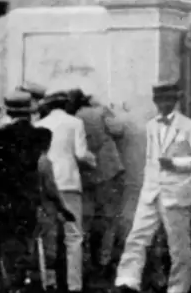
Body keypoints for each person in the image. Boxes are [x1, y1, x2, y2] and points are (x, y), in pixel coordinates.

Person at [114, 82, 191, 293]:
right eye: (160, 100)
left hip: (176, 192)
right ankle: (127, 280)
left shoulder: (189, 126)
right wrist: (148, 182)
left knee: (178, 245)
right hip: (152, 191)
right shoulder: (151, 125)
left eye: (168, 100)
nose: (163, 104)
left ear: (175, 100)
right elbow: (150, 159)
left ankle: (178, 287)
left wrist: (175, 164)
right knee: (137, 236)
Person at [0, 91, 76, 293]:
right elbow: (44, 174)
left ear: (8, 111)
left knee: (7, 247)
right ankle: (24, 282)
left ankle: (10, 283)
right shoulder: (42, 136)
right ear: (30, 112)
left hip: (4, 201)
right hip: (29, 201)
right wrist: (62, 207)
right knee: (29, 245)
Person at [35, 89, 96, 293]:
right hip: (69, 181)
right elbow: (81, 154)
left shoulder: (39, 124)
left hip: (47, 182)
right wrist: (93, 161)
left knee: (48, 235)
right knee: (74, 236)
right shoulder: (75, 123)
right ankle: (74, 285)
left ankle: (48, 282)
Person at [66, 89, 126, 282]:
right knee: (108, 219)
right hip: (108, 171)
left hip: (84, 175)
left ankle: (85, 263)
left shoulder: (70, 118)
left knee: (85, 221)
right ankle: (104, 261)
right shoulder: (99, 112)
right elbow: (119, 130)